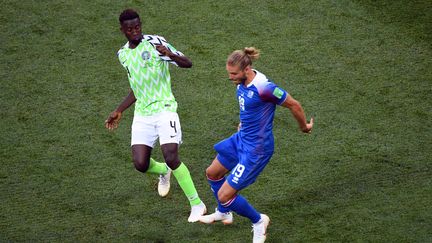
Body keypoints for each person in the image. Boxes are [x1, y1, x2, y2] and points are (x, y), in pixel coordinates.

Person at [199, 47, 314, 242]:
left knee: (225, 194)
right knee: (212, 173)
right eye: (229, 74)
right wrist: (243, 123)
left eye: (234, 74)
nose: (231, 78)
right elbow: (250, 108)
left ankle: (259, 221)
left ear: (247, 69)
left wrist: (304, 127)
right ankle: (224, 212)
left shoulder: (265, 87)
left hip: (256, 149)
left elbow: (294, 104)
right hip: (241, 139)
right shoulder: (241, 83)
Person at [104, 8, 206, 222]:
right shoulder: (123, 55)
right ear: (122, 30)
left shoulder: (155, 43)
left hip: (165, 108)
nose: (135, 31)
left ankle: (197, 204)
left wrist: (169, 54)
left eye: (138, 26)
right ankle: (163, 172)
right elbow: (136, 88)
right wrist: (119, 110)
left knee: (171, 155)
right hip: (143, 114)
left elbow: (187, 63)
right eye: (130, 28)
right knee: (140, 164)